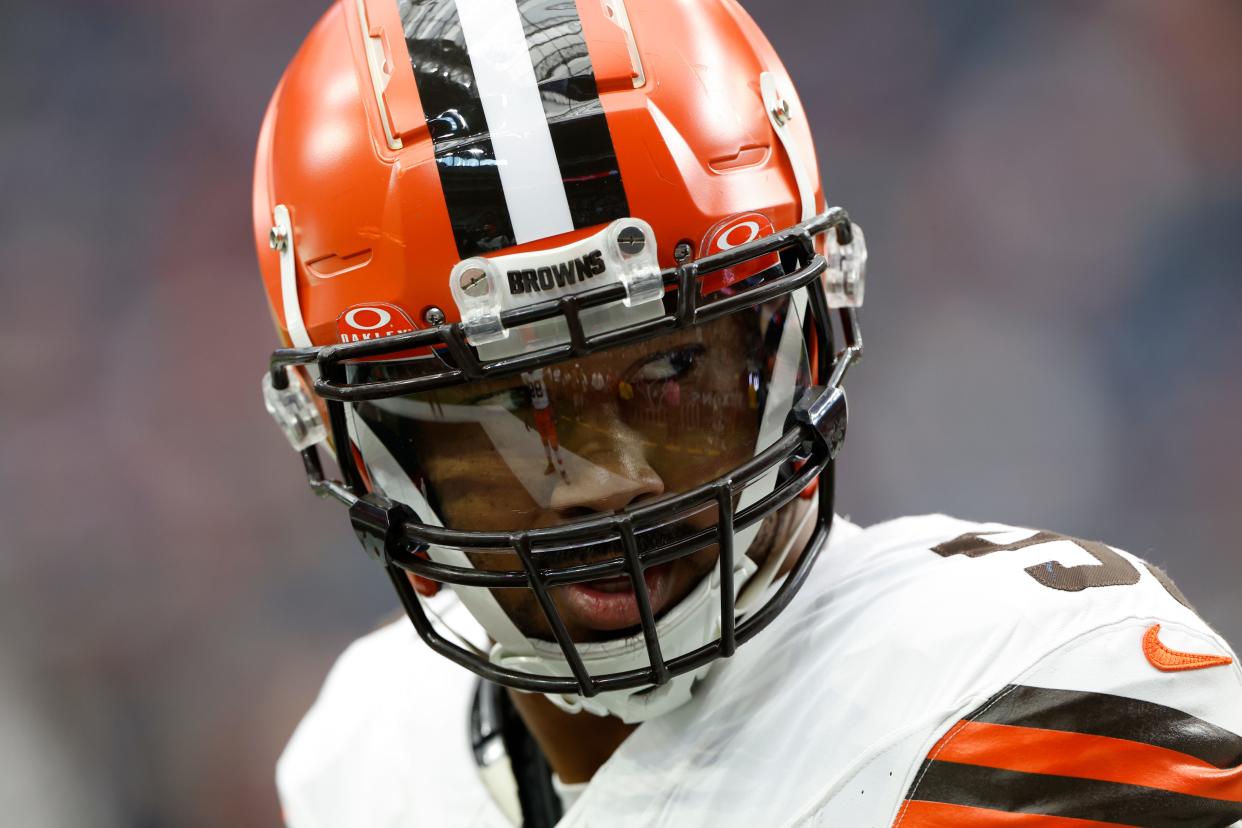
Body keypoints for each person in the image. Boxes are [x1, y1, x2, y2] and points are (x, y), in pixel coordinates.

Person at [253, 1, 1242, 825]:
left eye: (673, 367)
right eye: (500, 404)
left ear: (805, 336)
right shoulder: (363, 754)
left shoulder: (1025, 693)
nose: (606, 477)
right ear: (355, 441)